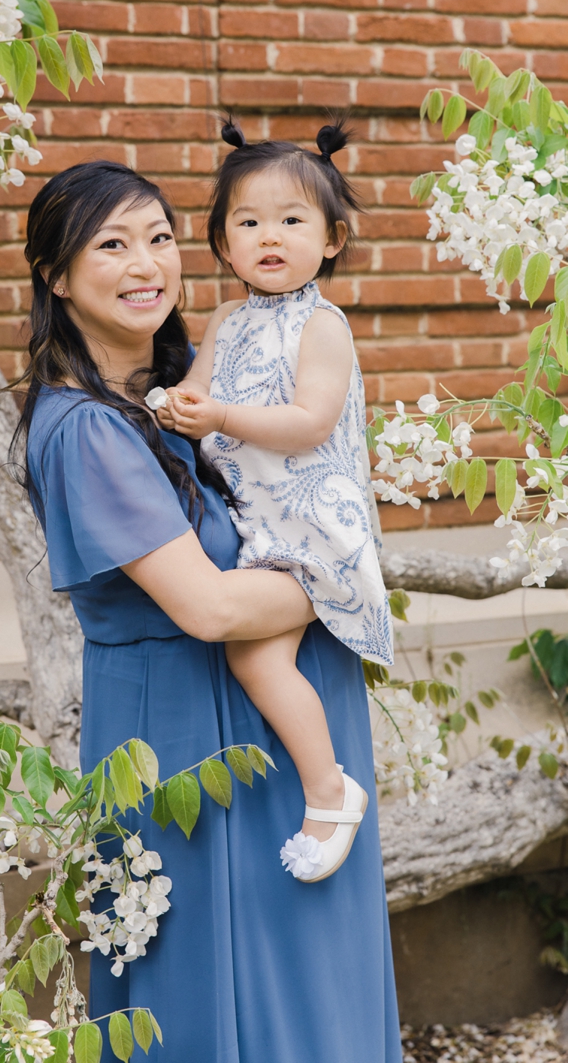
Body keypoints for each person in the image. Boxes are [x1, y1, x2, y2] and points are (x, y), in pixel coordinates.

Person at [13, 159, 400, 1062]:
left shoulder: (184, 387)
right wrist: (345, 576)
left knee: (314, 994)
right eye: (111, 244)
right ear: (55, 274)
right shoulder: (86, 431)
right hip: (187, 740)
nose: (146, 263)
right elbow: (217, 610)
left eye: (159, 237)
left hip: (280, 729)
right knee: (215, 1005)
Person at [153, 118, 392, 884]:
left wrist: (219, 418)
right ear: (222, 245)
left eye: (292, 221)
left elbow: (307, 422)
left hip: (319, 533)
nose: (270, 236)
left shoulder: (322, 326)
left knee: (244, 643)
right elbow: (199, 390)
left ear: (331, 239)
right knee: (254, 658)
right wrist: (176, 404)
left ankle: (328, 792)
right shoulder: (226, 319)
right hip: (263, 526)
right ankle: (327, 789)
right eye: (248, 222)